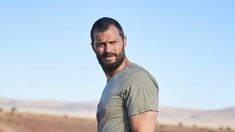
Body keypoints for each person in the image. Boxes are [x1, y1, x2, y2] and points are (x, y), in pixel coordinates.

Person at [90, 17, 159, 132]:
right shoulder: (113, 81)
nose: (108, 49)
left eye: (113, 42)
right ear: (93, 47)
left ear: (124, 41)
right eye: (101, 44)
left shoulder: (137, 78)